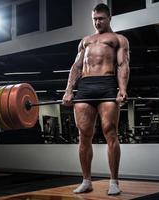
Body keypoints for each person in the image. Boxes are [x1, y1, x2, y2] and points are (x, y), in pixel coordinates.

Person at [62, 3, 129, 195]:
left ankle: (114, 181)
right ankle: (86, 180)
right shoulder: (85, 41)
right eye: (94, 19)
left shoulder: (118, 39)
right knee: (84, 135)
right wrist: (68, 90)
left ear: (109, 18)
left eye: (101, 18)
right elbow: (75, 66)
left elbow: (123, 64)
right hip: (85, 87)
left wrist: (122, 89)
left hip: (107, 84)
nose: (97, 22)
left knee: (111, 132)